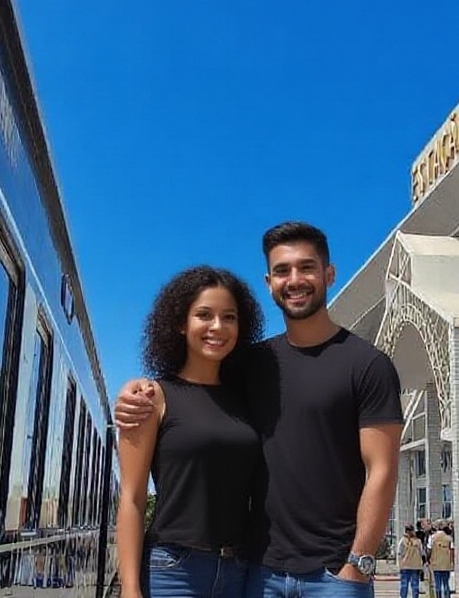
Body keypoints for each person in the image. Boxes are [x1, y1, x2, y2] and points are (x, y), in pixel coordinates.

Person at [116, 222, 404, 598]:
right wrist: (132, 391)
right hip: (256, 572)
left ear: (329, 274)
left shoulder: (368, 365)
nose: (294, 279)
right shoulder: (250, 365)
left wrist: (358, 564)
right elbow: (195, 392)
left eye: (307, 267)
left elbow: (382, 470)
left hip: (332, 576)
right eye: (283, 271)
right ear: (269, 283)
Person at [116, 266, 266, 598]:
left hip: (239, 571)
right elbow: (132, 497)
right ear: (181, 324)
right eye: (204, 315)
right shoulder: (152, 398)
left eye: (229, 317)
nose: (218, 326)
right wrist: (130, 588)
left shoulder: (246, 400)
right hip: (173, 571)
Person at [396, 524, 425, 598]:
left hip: (405, 565)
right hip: (415, 566)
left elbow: (399, 553)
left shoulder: (402, 541)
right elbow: (422, 553)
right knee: (415, 584)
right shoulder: (418, 541)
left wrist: (400, 564)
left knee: (404, 584)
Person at [426, 521, 453, 598]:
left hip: (436, 563)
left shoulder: (432, 537)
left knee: (437, 584)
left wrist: (428, 560)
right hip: (446, 564)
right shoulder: (449, 538)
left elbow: (429, 550)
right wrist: (452, 562)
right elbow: (452, 551)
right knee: (446, 584)